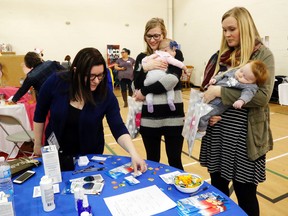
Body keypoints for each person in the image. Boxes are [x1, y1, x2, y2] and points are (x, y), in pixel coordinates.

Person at [199, 7, 275, 216]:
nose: (227, 35)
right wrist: (210, 107)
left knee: (245, 196)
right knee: (218, 193)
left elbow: (262, 97)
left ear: (245, 27)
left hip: (244, 138)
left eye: (232, 29)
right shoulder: (221, 56)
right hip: (218, 132)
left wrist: (220, 92)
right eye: (224, 30)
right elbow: (207, 90)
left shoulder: (263, 55)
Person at [33, 47, 147, 173]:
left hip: (89, 158)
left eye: (100, 75)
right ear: (76, 71)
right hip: (56, 154)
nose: (97, 81)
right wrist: (37, 144)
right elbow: (40, 114)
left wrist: (133, 153)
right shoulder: (56, 82)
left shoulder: (105, 94)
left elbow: (118, 127)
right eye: (91, 76)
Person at [133, 18, 185, 170]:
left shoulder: (175, 52)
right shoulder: (142, 58)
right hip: (149, 119)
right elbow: (135, 84)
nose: (153, 39)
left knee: (175, 161)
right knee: (153, 160)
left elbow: (172, 80)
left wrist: (145, 91)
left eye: (156, 35)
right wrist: (145, 68)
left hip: (173, 117)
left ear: (163, 34)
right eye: (149, 36)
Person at [197, 60, 269, 137]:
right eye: (241, 71)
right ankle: (192, 122)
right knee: (197, 106)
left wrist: (241, 101)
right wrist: (215, 79)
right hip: (210, 95)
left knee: (204, 115)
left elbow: (248, 94)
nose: (240, 75)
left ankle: (201, 130)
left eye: (245, 78)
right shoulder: (234, 72)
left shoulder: (250, 86)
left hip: (219, 104)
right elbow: (222, 75)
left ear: (253, 82)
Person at [142, 38, 187, 113]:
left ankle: (149, 101)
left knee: (148, 90)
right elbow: (176, 62)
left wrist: (145, 67)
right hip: (161, 76)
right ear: (166, 50)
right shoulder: (166, 55)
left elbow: (144, 60)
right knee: (169, 88)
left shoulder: (155, 54)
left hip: (149, 78)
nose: (175, 52)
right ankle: (170, 100)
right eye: (173, 50)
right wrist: (184, 68)